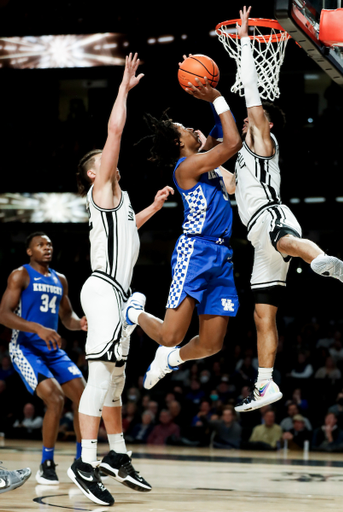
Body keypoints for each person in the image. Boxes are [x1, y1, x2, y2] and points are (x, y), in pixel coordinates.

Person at [226, 6, 343, 413]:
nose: (247, 121)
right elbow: (229, 185)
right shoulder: (242, 161)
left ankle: (320, 259)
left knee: (287, 241)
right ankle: (265, 384)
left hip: (273, 216)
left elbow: (250, 95)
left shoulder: (263, 143)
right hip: (255, 234)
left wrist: (246, 42)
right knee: (263, 315)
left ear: (265, 126)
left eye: (253, 119)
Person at [67, 53, 173, 506]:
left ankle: (118, 455)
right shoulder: (102, 188)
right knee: (99, 377)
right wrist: (123, 90)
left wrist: (151, 206)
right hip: (104, 290)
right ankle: (85, 463)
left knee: (115, 378)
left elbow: (128, 233)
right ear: (94, 174)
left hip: (117, 290)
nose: (108, 162)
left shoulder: (122, 203)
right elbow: (114, 132)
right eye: (101, 162)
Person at [125, 65, 242, 390]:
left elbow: (222, 128)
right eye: (183, 127)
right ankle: (133, 312)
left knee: (212, 344)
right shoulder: (186, 167)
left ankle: (170, 360)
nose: (191, 127)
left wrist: (207, 90)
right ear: (178, 143)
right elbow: (231, 142)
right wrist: (215, 95)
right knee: (170, 334)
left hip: (223, 254)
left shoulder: (203, 157)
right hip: (197, 250)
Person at [0, 232, 87, 485]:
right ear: (30, 251)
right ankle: (46, 464)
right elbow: (4, 315)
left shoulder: (60, 279)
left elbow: (67, 317)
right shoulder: (21, 274)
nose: (46, 248)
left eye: (49, 244)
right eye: (40, 245)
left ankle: (82, 462)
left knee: (85, 398)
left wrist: (80, 323)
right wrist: (37, 328)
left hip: (52, 351)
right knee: (56, 398)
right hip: (25, 349)